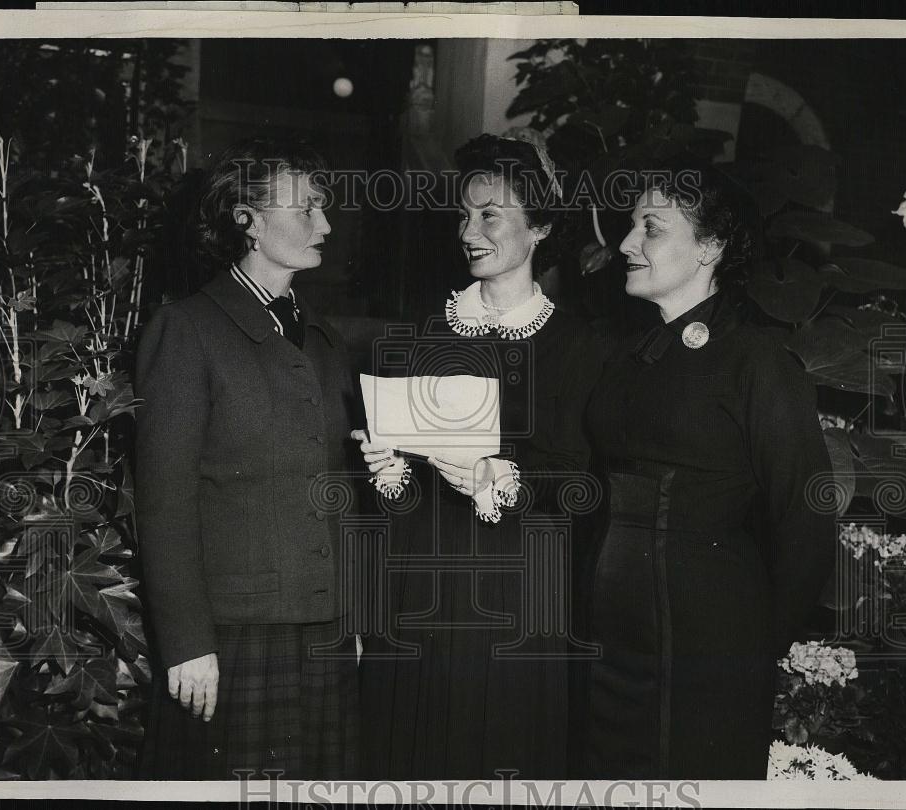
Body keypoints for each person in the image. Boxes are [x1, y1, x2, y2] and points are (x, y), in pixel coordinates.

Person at [352, 133, 609, 779]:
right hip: (419, 592)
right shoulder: (418, 334)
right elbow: (394, 500)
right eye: (464, 215)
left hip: (518, 601)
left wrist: (508, 479)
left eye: (490, 214)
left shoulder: (583, 347)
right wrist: (386, 475)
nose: (470, 230)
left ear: (541, 226)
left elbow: (585, 482)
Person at [579, 167, 836, 779]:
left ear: (711, 247)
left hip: (708, 654)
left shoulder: (760, 363)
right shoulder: (628, 355)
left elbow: (807, 517)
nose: (625, 244)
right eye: (631, 225)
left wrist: (752, 648)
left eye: (651, 228)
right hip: (609, 641)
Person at [135, 137, 359, 779]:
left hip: (322, 627)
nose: (324, 223)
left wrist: (354, 613)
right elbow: (165, 500)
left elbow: (338, 489)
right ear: (249, 221)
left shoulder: (322, 341)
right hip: (231, 636)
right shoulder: (188, 330)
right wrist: (186, 643)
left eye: (323, 208)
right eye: (305, 209)